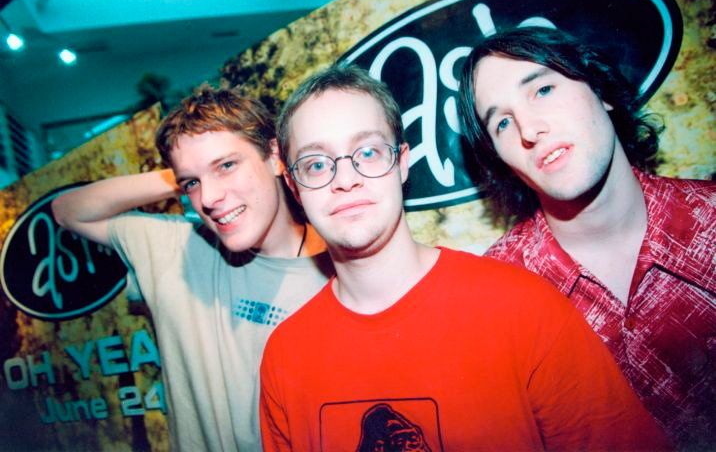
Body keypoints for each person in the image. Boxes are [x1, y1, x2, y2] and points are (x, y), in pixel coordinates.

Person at [259, 64, 670, 451]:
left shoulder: (522, 308)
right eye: (315, 164)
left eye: (367, 153)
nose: (345, 179)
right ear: (295, 188)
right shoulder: (286, 357)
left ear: (402, 163)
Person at [458, 26, 715, 449]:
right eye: (502, 122)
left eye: (541, 90)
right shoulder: (494, 295)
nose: (528, 128)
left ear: (602, 91)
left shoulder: (709, 221)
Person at [52, 86, 332, 452]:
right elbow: (68, 210)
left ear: (275, 156)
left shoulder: (340, 274)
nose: (209, 199)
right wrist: (179, 174)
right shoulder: (178, 249)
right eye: (193, 184)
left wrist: (196, 169)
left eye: (227, 165)